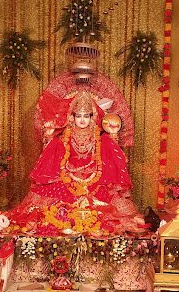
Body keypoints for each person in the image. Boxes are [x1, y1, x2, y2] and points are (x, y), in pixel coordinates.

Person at [8, 91, 146, 236]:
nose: (82, 120)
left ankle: (85, 222)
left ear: (92, 117)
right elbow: (51, 157)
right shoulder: (63, 136)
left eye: (86, 116)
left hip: (94, 176)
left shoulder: (99, 136)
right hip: (67, 175)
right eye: (78, 116)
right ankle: (67, 221)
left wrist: (113, 136)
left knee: (105, 197)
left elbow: (112, 157)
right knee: (51, 198)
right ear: (72, 117)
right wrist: (48, 137)